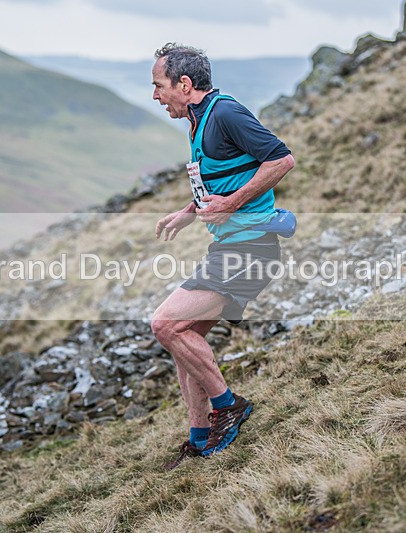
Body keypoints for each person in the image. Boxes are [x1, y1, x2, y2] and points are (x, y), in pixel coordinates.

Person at [149, 43, 295, 470]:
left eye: (159, 86)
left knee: (166, 324)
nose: (156, 96)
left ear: (185, 84)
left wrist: (232, 203)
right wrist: (189, 211)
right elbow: (220, 182)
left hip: (251, 250)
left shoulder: (226, 113)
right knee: (184, 337)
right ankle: (200, 438)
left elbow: (281, 160)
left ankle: (228, 406)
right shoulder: (197, 121)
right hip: (229, 248)